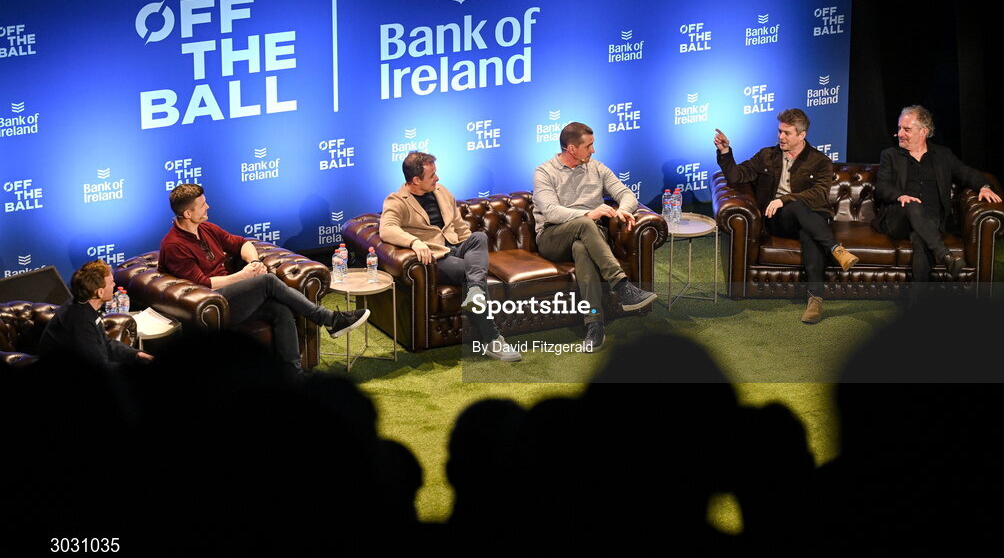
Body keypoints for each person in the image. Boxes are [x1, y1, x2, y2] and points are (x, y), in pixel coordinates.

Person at [158, 183, 368, 372]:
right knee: (267, 281)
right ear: (187, 213)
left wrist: (254, 263)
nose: (208, 207)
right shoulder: (174, 245)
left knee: (280, 310)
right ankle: (328, 318)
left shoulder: (205, 228)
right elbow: (204, 284)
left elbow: (242, 243)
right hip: (211, 305)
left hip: (232, 297)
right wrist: (243, 276)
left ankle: (293, 375)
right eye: (202, 205)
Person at [714, 108, 859, 324]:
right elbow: (736, 176)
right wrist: (725, 152)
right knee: (797, 209)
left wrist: (785, 199)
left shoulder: (820, 161)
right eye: (780, 131)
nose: (780, 137)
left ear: (802, 135)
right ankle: (835, 248)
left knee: (809, 231)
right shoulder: (767, 156)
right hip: (779, 220)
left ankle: (815, 299)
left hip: (812, 216)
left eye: (787, 133)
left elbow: (818, 194)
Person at [378, 152, 521, 361]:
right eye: (432, 175)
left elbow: (459, 226)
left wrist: (468, 246)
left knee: (479, 237)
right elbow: (386, 229)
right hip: (436, 256)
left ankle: (475, 292)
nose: (437, 178)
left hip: (455, 245)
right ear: (416, 180)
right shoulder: (397, 200)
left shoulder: (441, 191)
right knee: (470, 272)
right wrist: (414, 242)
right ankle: (492, 339)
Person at [532, 122, 658, 352]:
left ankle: (594, 325)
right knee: (584, 223)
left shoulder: (597, 168)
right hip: (552, 236)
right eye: (589, 146)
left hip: (588, 236)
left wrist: (624, 211)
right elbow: (551, 211)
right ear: (571, 148)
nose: (593, 150)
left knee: (582, 248)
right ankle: (622, 287)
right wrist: (589, 213)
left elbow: (626, 194)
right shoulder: (544, 172)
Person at [872, 105, 1001, 291]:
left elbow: (967, 173)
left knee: (921, 238)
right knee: (913, 205)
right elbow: (882, 187)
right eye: (899, 128)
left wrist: (984, 186)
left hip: (931, 221)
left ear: (923, 131)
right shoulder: (890, 155)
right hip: (898, 219)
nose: (900, 133)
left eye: (906, 129)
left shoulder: (942, 155)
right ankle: (945, 256)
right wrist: (900, 195)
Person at [37, 259, 153, 368]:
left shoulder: (84, 306)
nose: (114, 285)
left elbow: (105, 343)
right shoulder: (81, 321)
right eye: (111, 282)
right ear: (100, 292)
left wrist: (136, 355)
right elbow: (98, 367)